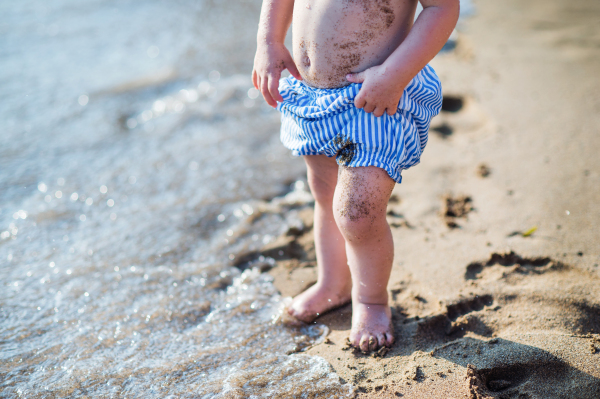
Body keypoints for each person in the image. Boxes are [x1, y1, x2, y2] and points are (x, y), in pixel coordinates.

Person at [252, 0, 459, 352]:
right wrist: (269, 41)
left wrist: (395, 73)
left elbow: (442, 8)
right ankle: (333, 284)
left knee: (357, 213)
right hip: (313, 97)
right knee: (324, 194)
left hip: (375, 94)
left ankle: (372, 301)